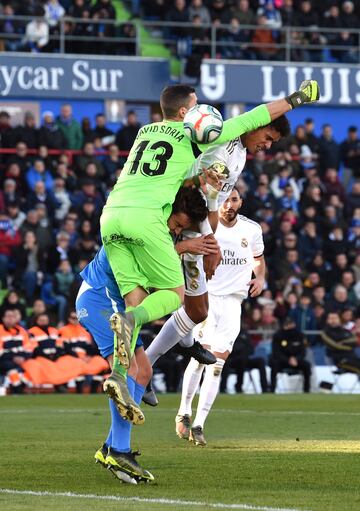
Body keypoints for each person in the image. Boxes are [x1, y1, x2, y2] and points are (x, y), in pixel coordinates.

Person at [101, 81, 320, 417]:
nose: (266, 145)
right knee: (175, 297)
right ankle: (152, 362)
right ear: (187, 113)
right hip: (168, 222)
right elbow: (253, 119)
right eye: (268, 139)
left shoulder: (147, 129)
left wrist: (211, 227)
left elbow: (205, 189)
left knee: (176, 306)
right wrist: (299, 98)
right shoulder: (205, 137)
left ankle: (129, 372)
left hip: (114, 213)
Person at [144, 112, 290, 405]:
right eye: (268, 138)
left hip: (197, 226)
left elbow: (214, 201)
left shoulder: (239, 154)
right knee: (189, 306)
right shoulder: (221, 148)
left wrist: (213, 241)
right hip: (183, 225)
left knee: (195, 309)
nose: (267, 146)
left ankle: (181, 345)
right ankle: (145, 366)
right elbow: (200, 197)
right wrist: (209, 243)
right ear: (258, 126)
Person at [75, 186, 208, 484]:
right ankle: (119, 451)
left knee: (143, 370)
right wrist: (184, 248)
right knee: (128, 371)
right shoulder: (143, 227)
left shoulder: (154, 226)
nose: (175, 231)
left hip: (121, 304)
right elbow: (149, 265)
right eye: (176, 224)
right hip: (100, 300)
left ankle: (111, 446)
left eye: (180, 229)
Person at [175, 188, 266, 446]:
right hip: (208, 297)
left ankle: (199, 424)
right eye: (225, 200)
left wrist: (259, 277)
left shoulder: (252, 229)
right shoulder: (208, 226)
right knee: (201, 356)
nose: (229, 204)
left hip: (233, 302)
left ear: (241, 202)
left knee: (217, 365)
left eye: (234, 199)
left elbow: (258, 260)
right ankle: (183, 410)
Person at [270, 317, 311, 393]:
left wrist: (296, 359)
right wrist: (288, 360)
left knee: (307, 365)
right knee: (274, 364)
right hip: (282, 361)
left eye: (290, 324)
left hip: (296, 361)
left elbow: (303, 352)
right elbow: (276, 352)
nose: (289, 326)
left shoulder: (300, 335)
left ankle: (306, 390)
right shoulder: (277, 335)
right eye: (287, 324)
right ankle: (271, 389)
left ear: (294, 324)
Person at [321, 311, 360, 375]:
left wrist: (342, 342)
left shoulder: (345, 331)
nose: (333, 320)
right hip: (340, 361)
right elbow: (335, 346)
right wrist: (348, 345)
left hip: (354, 358)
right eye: (331, 318)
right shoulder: (325, 333)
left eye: (335, 318)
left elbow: (355, 341)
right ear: (327, 320)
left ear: (339, 319)